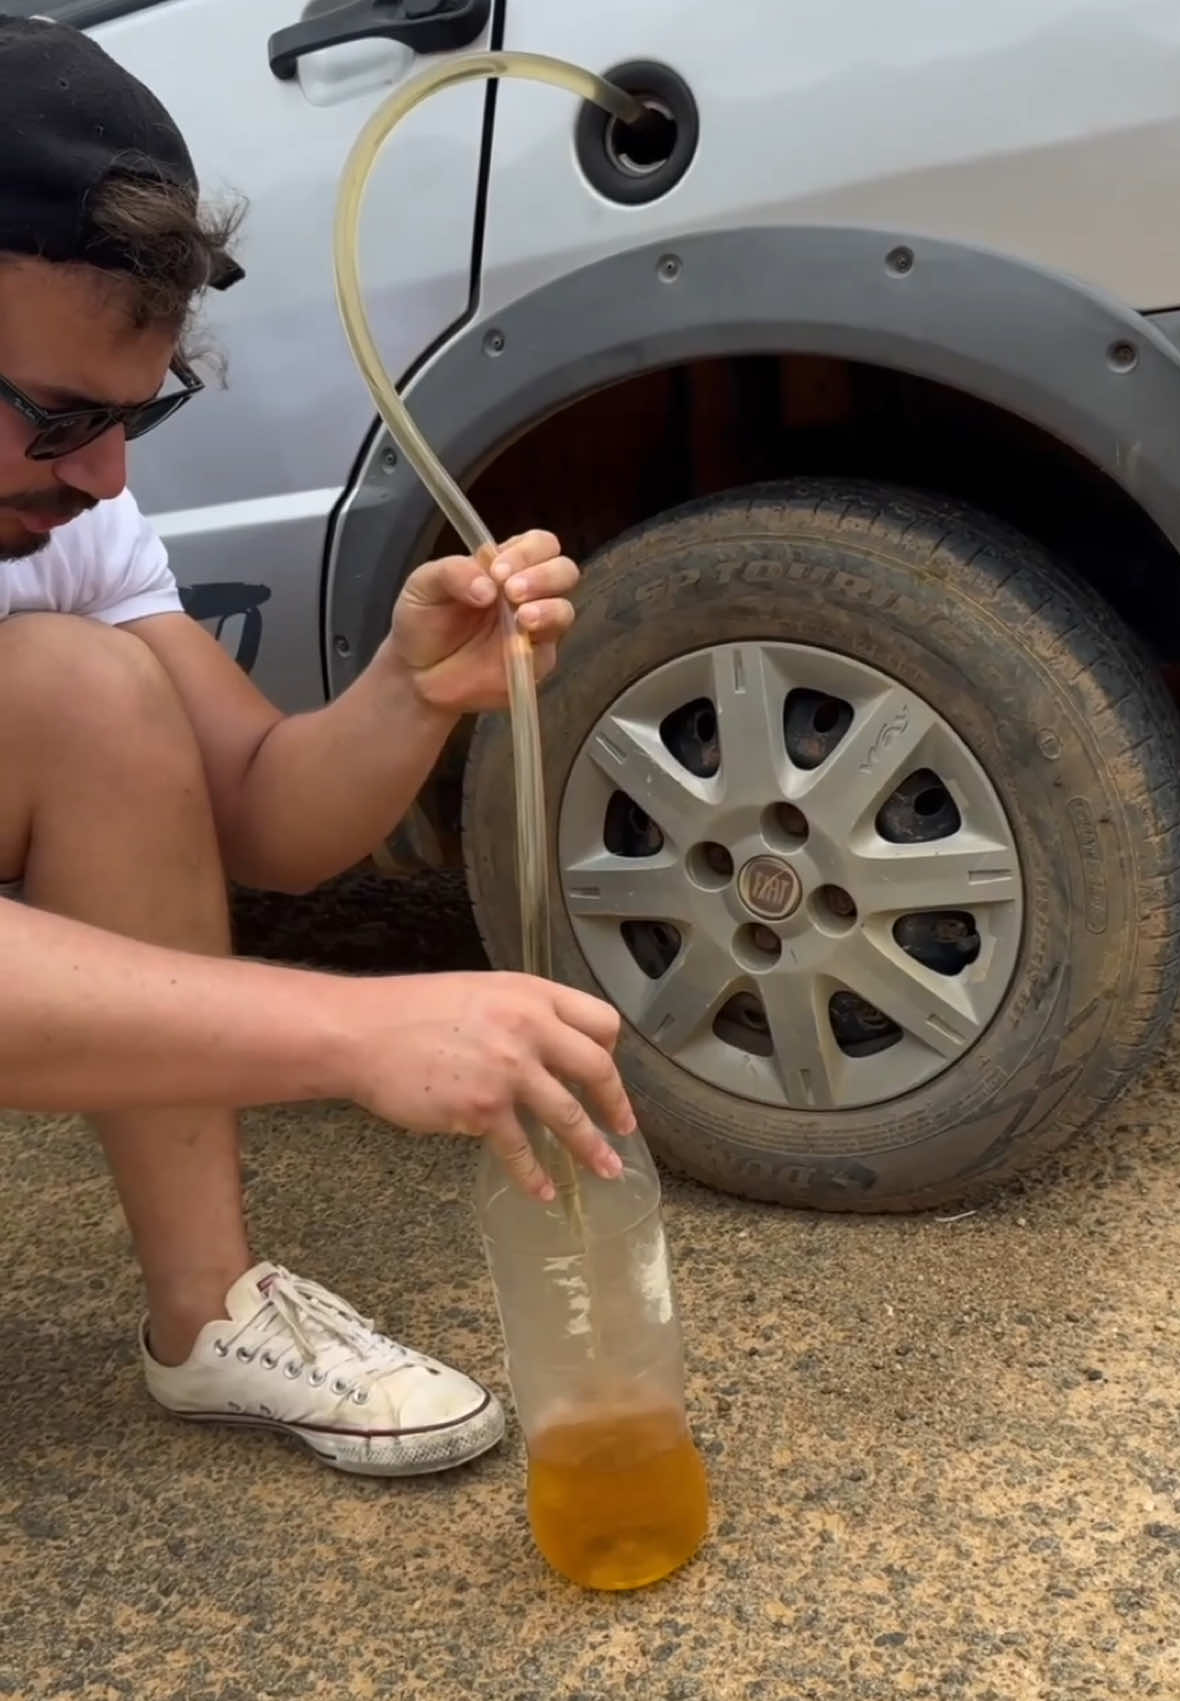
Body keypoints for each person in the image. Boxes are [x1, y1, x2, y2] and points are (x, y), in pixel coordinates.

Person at [0, 13, 636, 1477]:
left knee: (88, 694)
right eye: (56, 417)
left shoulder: (70, 517)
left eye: (136, 414)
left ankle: (209, 1308)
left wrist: (408, 695)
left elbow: (252, 814)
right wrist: (354, 1033)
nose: (106, 473)